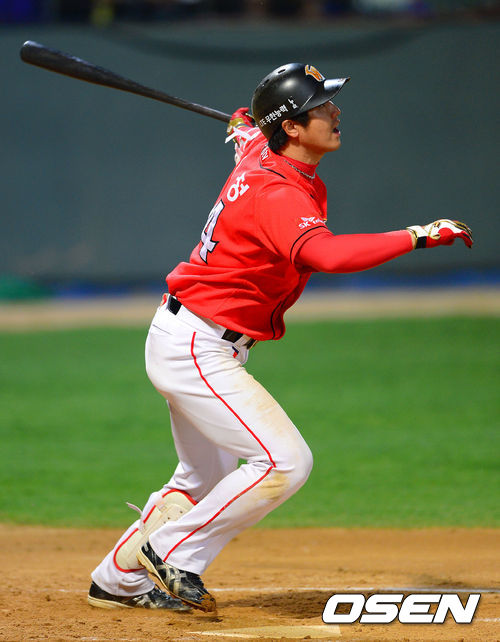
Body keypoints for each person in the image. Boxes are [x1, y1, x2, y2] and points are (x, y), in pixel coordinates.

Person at [88, 62, 473, 612]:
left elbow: (249, 136)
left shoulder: (260, 152)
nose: (334, 112)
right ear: (291, 127)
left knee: (202, 480)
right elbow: (325, 254)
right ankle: (170, 551)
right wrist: (416, 235)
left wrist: (246, 127)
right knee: (285, 461)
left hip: (188, 334)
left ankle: (116, 580)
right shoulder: (275, 189)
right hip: (197, 346)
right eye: (320, 106)